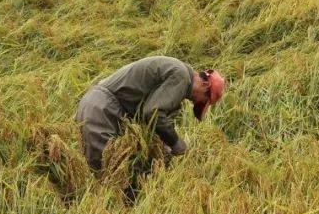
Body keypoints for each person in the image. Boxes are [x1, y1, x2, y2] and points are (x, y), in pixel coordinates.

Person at [74, 55, 225, 171]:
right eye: (201, 101)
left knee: (104, 170)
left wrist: (164, 148)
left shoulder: (177, 72)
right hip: (102, 110)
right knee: (108, 173)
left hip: (98, 106)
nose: (194, 103)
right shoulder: (182, 77)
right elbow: (153, 113)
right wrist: (176, 142)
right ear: (205, 84)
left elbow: (149, 117)